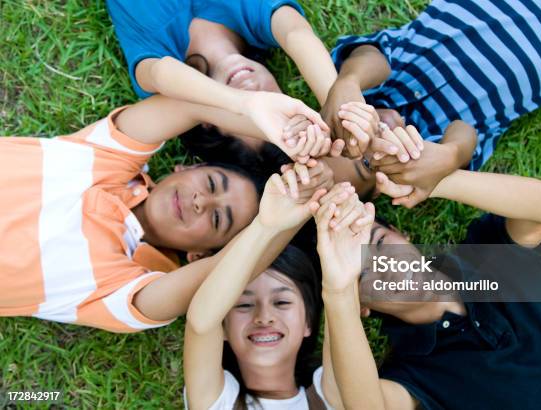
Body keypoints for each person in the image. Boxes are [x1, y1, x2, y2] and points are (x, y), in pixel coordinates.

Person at [0, 88, 334, 333]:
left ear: (198, 254)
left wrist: (284, 218)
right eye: (212, 183)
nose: (201, 201)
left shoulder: (120, 286)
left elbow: (227, 269)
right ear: (183, 169)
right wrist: (287, 134)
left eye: (218, 219)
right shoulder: (108, 156)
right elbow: (187, 104)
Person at [318, 161, 541, 409]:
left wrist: (436, 182)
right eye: (363, 272)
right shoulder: (416, 373)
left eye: (381, 242)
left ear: (401, 233)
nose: (389, 267)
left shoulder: (485, 257)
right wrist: (337, 290)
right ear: (361, 305)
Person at [324, 0, 541, 169]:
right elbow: (466, 136)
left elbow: (372, 55)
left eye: (345, 133)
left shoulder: (378, 83)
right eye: (365, 163)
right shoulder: (429, 145)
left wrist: (348, 83)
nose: (367, 137)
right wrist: (448, 157)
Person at [184, 173, 376, 409]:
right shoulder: (217, 402)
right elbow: (201, 322)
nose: (264, 317)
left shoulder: (331, 398)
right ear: (222, 327)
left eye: (282, 302)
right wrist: (265, 226)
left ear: (308, 321)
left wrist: (341, 288)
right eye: (244, 305)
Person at [105, 0, 337, 105]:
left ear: (209, 122)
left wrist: (243, 105)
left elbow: (161, 73)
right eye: (271, 102)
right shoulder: (255, 18)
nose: (252, 92)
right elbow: (296, 34)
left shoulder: (157, 54)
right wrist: (339, 104)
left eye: (244, 119)